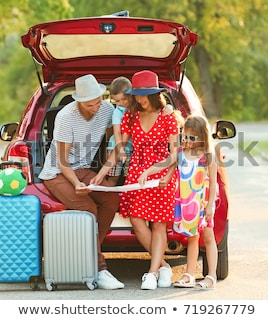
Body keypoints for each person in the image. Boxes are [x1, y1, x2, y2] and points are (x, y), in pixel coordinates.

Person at [91, 70, 179, 290]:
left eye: (144, 94)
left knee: (159, 225)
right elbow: (119, 151)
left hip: (160, 176)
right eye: (136, 94)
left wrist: (152, 171)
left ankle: (151, 273)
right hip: (136, 176)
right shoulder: (132, 116)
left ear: (154, 94)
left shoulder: (168, 117)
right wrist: (100, 175)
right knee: (138, 222)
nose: (139, 99)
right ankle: (164, 266)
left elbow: (175, 153)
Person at [38, 74, 124, 290]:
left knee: (111, 199)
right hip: (57, 172)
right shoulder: (66, 117)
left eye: (98, 101)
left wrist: (104, 174)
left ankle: (88, 254)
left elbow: (111, 142)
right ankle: (100, 269)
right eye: (89, 104)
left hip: (83, 169)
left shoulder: (106, 110)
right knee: (87, 208)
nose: (96, 107)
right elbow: (63, 160)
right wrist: (77, 183)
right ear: (78, 101)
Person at [170, 115, 219, 290]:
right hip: (188, 202)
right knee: (192, 237)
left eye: (192, 138)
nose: (188, 141)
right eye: (185, 137)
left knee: (208, 236)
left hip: (203, 202)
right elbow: (165, 163)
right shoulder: (182, 153)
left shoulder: (208, 156)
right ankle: (189, 274)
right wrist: (146, 173)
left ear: (202, 137)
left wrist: (210, 205)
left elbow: (213, 181)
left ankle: (211, 276)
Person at [106, 76, 133, 186]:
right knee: (114, 177)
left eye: (124, 99)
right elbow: (117, 132)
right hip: (115, 147)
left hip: (132, 148)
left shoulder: (136, 108)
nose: (121, 103)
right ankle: (108, 197)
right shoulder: (117, 112)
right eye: (117, 101)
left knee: (130, 177)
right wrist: (120, 149)